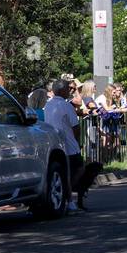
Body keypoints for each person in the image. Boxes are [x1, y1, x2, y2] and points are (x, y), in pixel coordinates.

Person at [45, 79, 99, 212]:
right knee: (79, 168)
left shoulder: (49, 105)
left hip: (54, 144)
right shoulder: (66, 105)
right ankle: (68, 195)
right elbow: (76, 127)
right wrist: (77, 141)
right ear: (62, 90)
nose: (70, 92)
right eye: (68, 89)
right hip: (69, 145)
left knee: (64, 172)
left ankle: (67, 197)